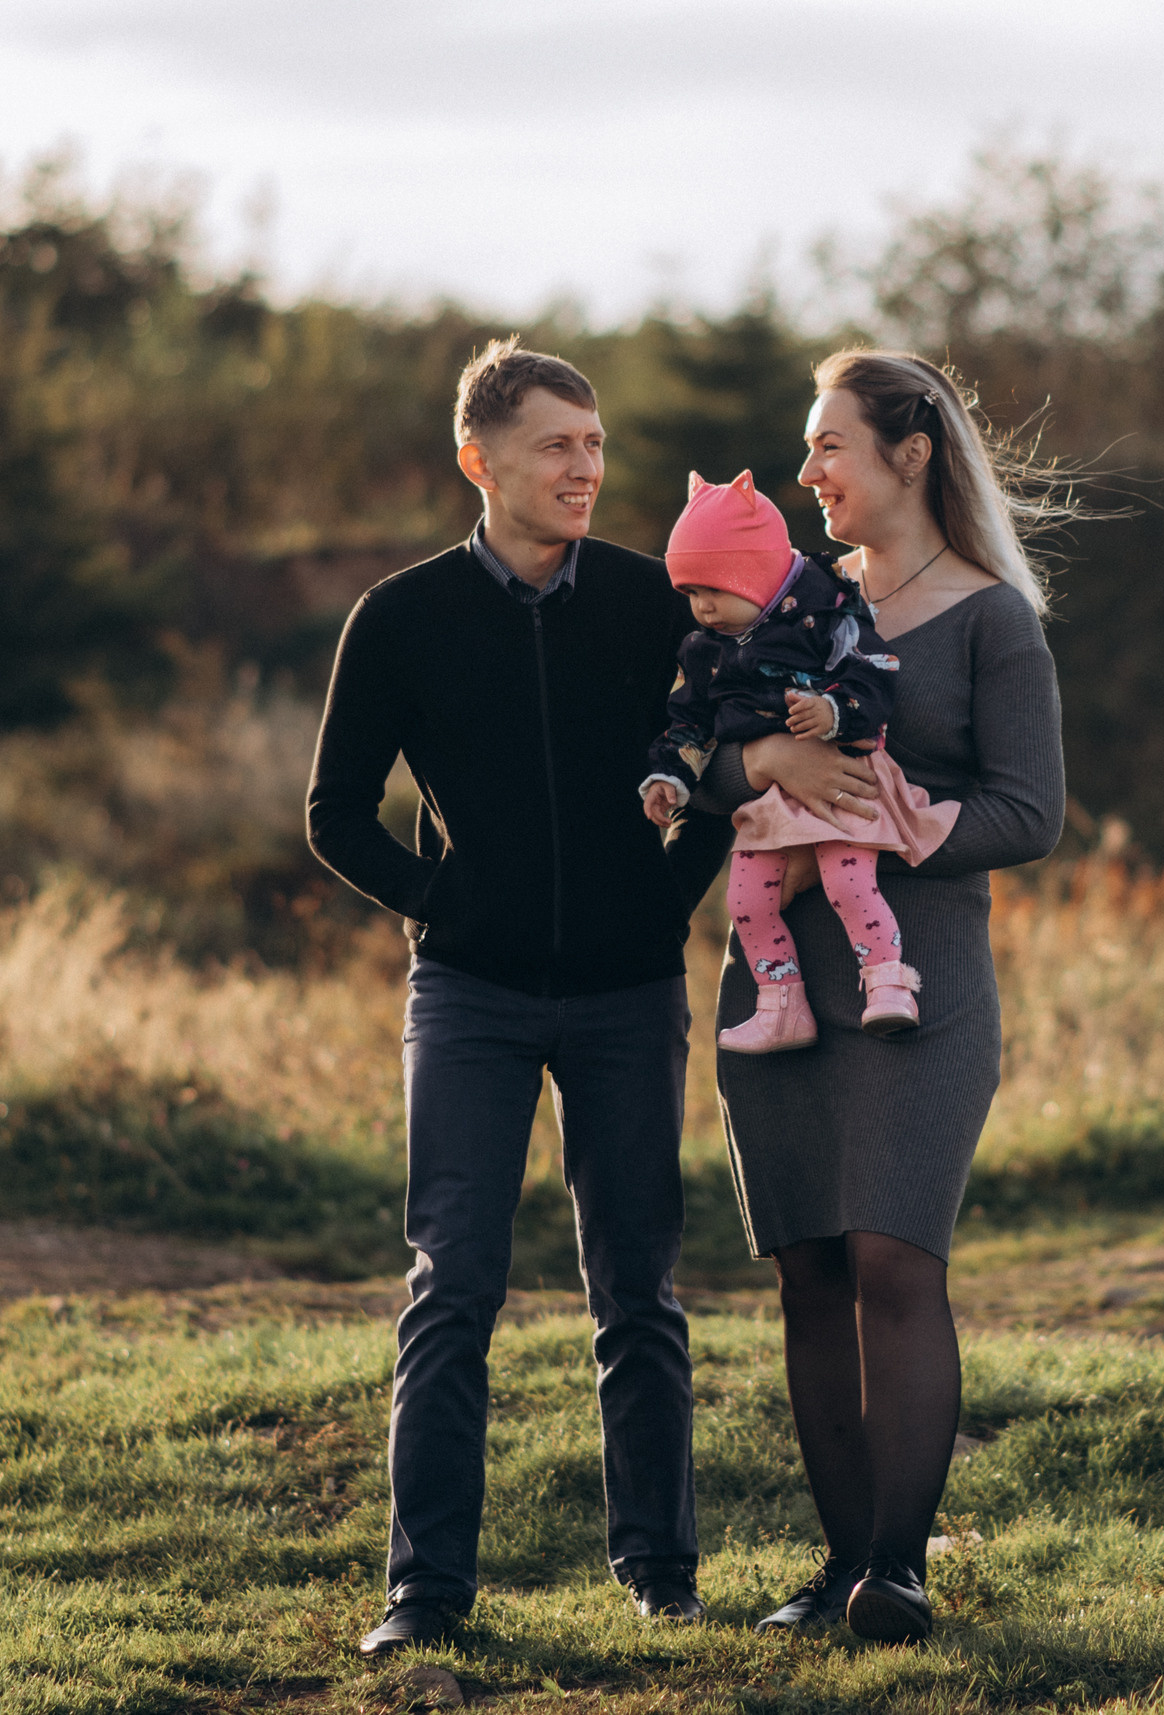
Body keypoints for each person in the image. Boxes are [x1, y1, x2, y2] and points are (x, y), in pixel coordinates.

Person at [305, 338, 732, 1658]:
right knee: (453, 1281)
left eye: (595, 446)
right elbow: (334, 812)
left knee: (639, 1287)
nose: (585, 469)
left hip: (626, 992)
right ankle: (423, 1592)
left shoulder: (653, 600)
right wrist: (446, 900)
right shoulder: (402, 614)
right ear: (479, 461)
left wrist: (665, 905)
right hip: (473, 996)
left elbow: (721, 762)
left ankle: (661, 1573)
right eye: (558, 446)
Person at [686, 350, 1068, 1643]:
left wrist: (918, 824)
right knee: (808, 1267)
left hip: (923, 982)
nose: (809, 473)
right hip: (779, 976)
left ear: (910, 453)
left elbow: (1034, 808)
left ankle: (897, 1571)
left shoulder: (992, 618)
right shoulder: (783, 601)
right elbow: (701, 746)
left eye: (830, 445)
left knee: (896, 1258)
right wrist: (762, 757)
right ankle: (837, 1561)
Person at [638, 469, 958, 1051]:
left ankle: (888, 982)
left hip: (844, 781)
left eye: (713, 588)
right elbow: (690, 722)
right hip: (771, 806)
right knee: (745, 901)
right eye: (690, 593)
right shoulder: (704, 649)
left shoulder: (827, 610)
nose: (702, 607)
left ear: (756, 573)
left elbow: (875, 673)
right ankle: (781, 1003)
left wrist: (834, 711)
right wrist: (671, 775)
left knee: (847, 880)